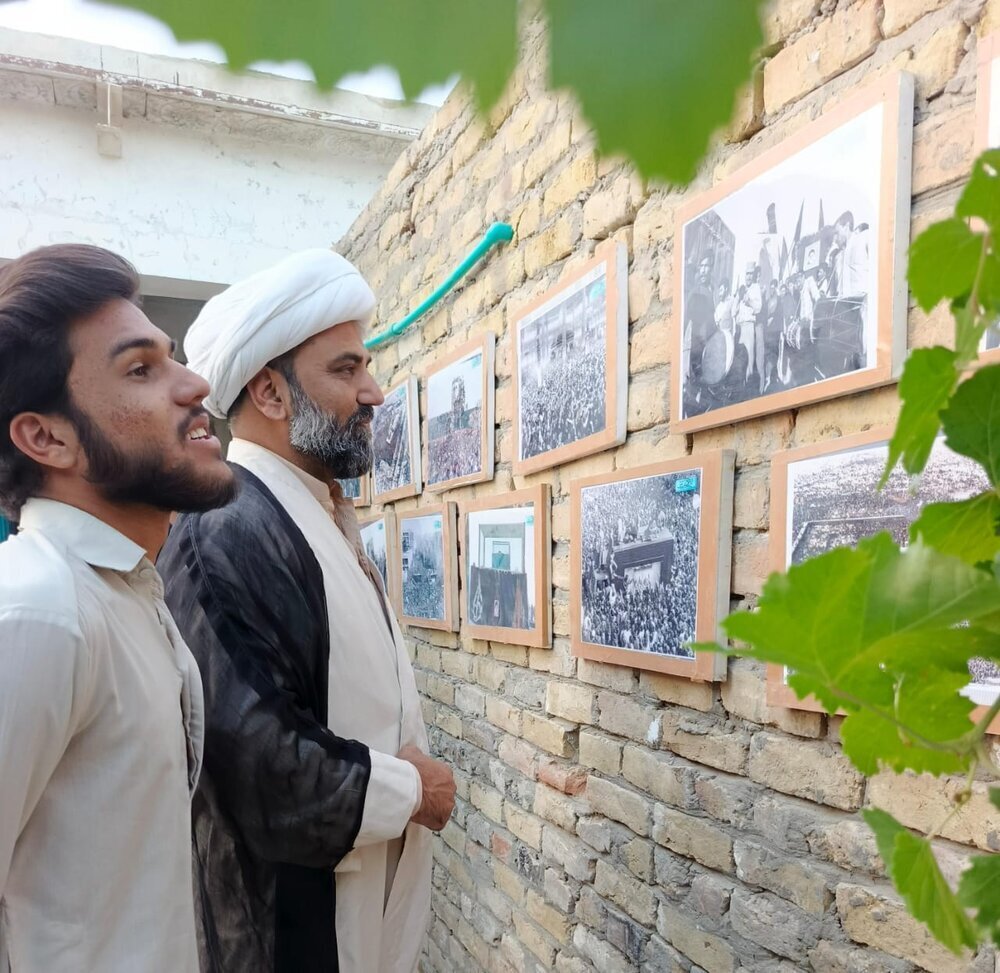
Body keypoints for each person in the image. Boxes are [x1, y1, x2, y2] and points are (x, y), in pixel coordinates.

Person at [157, 249, 455, 973]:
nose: (375, 391)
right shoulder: (224, 530)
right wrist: (414, 787)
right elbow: (260, 768)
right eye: (347, 369)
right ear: (270, 392)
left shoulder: (317, 512)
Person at [0, 244, 236, 971]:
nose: (195, 384)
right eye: (142, 369)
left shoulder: (125, 588)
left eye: (174, 358)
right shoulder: (40, 612)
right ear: (47, 437)